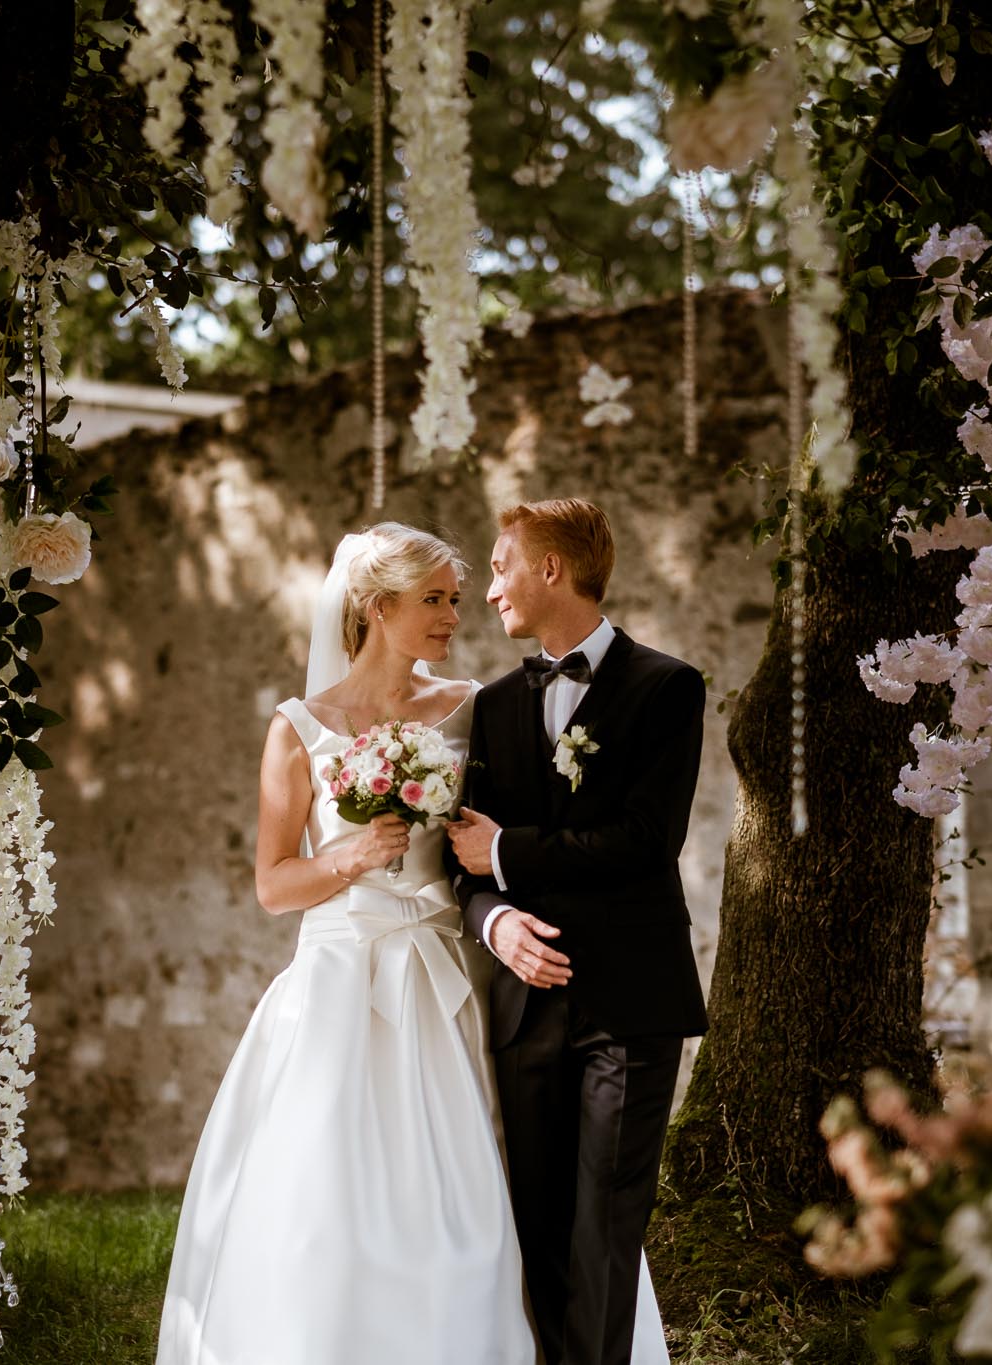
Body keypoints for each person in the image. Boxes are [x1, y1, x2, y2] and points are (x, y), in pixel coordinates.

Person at [153, 522, 536, 1365]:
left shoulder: (474, 705)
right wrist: (353, 855)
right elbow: (272, 884)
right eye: (432, 599)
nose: (450, 616)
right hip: (336, 979)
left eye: (455, 600)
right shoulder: (299, 728)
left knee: (469, 1186)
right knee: (319, 1194)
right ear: (375, 606)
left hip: (445, 974)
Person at [450, 498, 708, 1365]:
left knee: (605, 1230)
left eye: (499, 565)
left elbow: (646, 840)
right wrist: (495, 925)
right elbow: (462, 865)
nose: (489, 591)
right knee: (543, 1237)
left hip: (629, 1005)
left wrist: (509, 855)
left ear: (549, 569)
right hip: (525, 1010)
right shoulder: (489, 706)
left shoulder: (667, 687)